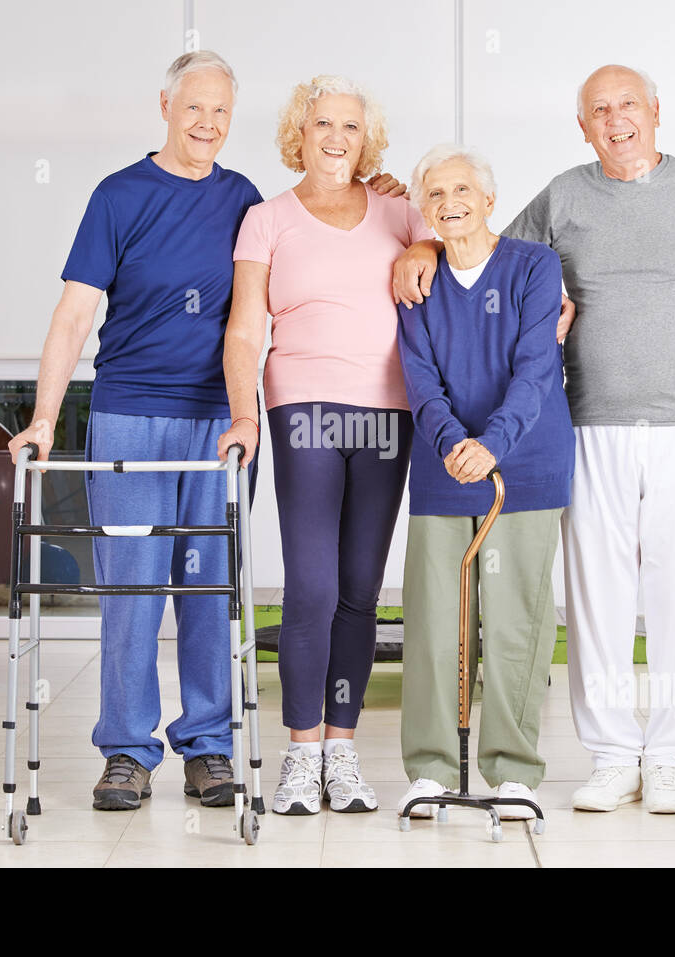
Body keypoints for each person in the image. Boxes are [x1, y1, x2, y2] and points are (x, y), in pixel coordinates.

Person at [7, 52, 404, 814]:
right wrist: (47, 414)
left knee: (206, 587)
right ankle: (125, 751)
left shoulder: (243, 202)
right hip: (129, 411)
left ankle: (209, 748)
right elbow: (73, 316)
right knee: (132, 587)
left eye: (221, 111)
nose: (207, 124)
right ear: (164, 104)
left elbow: (273, 300)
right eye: (194, 108)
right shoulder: (119, 196)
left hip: (220, 424)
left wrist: (379, 187)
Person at [393, 64, 675, 814]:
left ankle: (669, 754)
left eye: (628, 105)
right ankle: (610, 753)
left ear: (656, 111)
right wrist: (419, 250)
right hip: (588, 421)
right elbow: (478, 240)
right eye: (599, 110)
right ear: (583, 126)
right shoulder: (562, 196)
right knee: (596, 596)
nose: (615, 119)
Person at [219, 75, 434, 815]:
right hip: (301, 406)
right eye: (321, 125)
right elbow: (246, 325)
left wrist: (426, 245)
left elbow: (452, 247)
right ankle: (299, 751)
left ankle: (341, 751)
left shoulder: (403, 210)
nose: (336, 138)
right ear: (298, 135)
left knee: (358, 592)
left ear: (364, 138)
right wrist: (243, 412)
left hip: (386, 411)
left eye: (349, 126)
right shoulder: (265, 219)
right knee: (309, 587)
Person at [395, 145, 574, 821]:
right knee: (437, 620)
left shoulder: (534, 266)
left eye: (463, 190)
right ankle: (432, 769)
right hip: (444, 467)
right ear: (423, 208)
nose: (450, 204)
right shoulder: (417, 279)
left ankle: (513, 771)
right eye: (435, 194)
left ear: (490, 199)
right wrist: (452, 443)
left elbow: (536, 367)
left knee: (515, 620)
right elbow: (420, 377)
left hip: (525, 461)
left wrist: (491, 444)